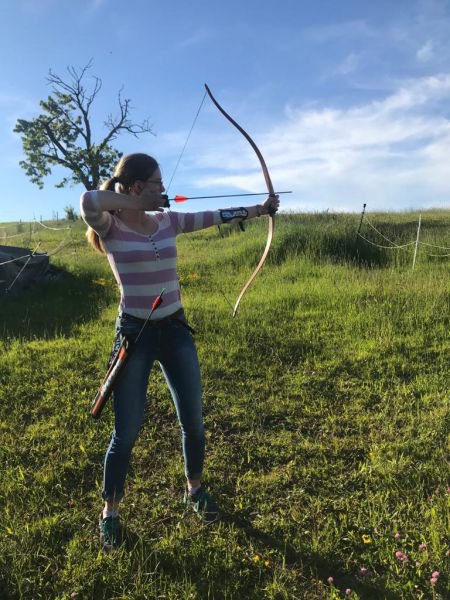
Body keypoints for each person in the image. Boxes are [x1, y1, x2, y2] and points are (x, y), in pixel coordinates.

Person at [80, 152, 279, 551]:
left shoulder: (167, 221)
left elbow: (215, 216)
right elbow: (89, 201)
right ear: (136, 188)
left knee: (193, 419)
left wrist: (260, 209)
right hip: (135, 336)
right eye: (156, 184)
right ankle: (110, 512)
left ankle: (195, 489)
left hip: (175, 331)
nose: (163, 191)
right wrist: (136, 204)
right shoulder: (111, 226)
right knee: (127, 431)